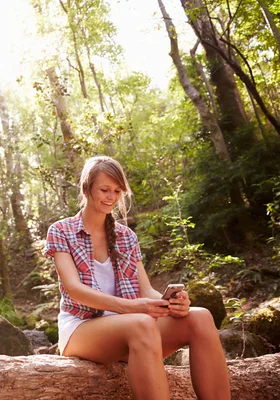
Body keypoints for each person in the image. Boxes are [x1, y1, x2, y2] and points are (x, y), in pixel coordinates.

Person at [44, 156, 230, 400]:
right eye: (104, 190)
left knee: (201, 317)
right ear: (87, 188)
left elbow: (146, 290)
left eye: (117, 191)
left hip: (132, 329)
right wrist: (132, 308)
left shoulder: (126, 236)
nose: (111, 197)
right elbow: (74, 289)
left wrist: (171, 303)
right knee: (140, 323)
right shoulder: (61, 231)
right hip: (81, 329)